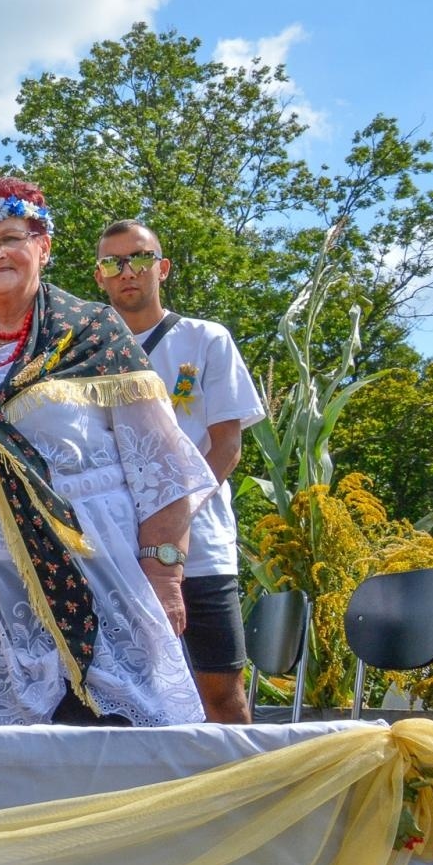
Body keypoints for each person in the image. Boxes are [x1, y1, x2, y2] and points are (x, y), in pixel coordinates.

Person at [0, 177, 215, 727]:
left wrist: (165, 575)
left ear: (43, 247)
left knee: (121, 726)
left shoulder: (92, 332)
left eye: (11, 237)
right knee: (17, 753)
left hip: (96, 578)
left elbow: (163, 468)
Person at [95, 220, 265, 723]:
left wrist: (174, 518)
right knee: (132, 699)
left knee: (220, 693)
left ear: (162, 267)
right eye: (113, 263)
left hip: (201, 547)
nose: (128, 271)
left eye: (140, 258)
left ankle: (246, 799)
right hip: (117, 552)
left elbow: (226, 446)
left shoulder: (204, 339)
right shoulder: (87, 355)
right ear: (99, 278)